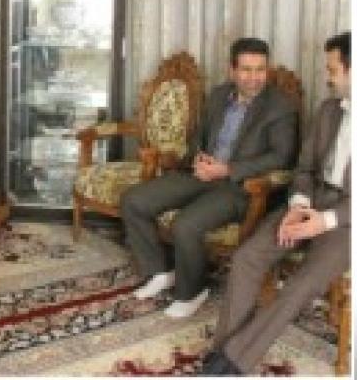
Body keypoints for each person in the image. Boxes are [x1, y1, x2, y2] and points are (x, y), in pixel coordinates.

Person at [201, 32, 351, 375]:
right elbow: (304, 168)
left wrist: (324, 221)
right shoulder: (328, 111)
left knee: (301, 285)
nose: (327, 77)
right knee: (246, 258)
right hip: (309, 201)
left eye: (332, 70)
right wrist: (297, 205)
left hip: (346, 222)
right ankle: (223, 349)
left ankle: (234, 361)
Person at [120, 38, 299, 318]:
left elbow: (282, 156)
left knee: (186, 224)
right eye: (246, 70)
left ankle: (192, 292)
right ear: (232, 70)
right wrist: (198, 159)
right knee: (134, 200)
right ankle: (160, 271)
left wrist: (227, 169)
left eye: (260, 70)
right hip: (202, 174)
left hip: (239, 186)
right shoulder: (219, 95)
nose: (254, 78)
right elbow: (199, 138)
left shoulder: (280, 106)